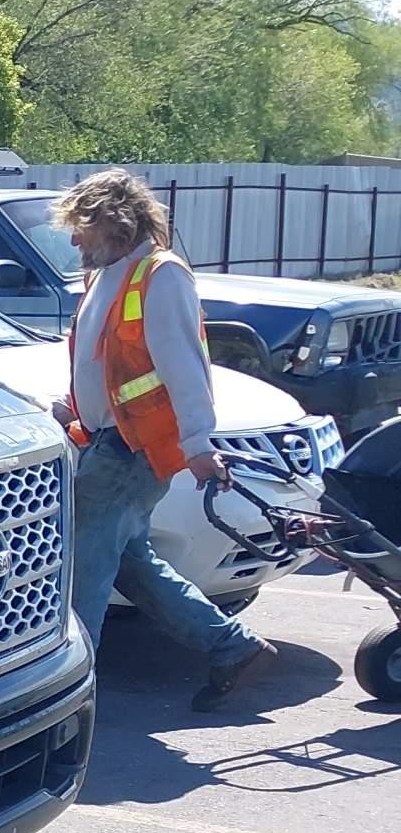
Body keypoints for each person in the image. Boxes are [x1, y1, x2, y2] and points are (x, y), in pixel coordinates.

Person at [53, 168, 276, 712]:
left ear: (114, 221)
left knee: (82, 566)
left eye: (81, 226)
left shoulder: (161, 275)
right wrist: (74, 409)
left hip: (132, 448)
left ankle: (63, 702)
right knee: (129, 559)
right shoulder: (107, 275)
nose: (74, 238)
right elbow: (106, 361)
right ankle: (232, 648)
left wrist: (199, 443)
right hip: (109, 440)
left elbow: (185, 364)